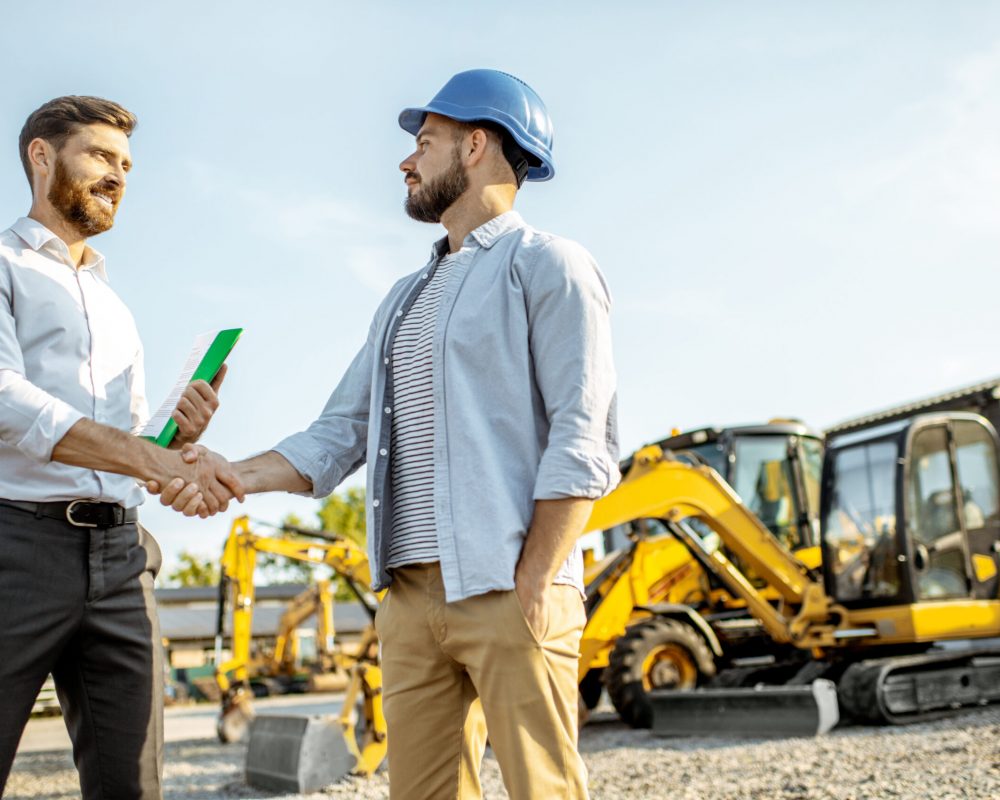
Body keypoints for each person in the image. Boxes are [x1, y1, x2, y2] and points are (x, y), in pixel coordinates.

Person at [158, 69, 618, 799]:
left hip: (510, 588)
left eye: (424, 143)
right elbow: (339, 432)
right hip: (408, 601)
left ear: (475, 146)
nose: (406, 161)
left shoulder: (548, 265)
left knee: (545, 791)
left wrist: (535, 581)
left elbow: (584, 438)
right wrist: (228, 472)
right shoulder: (404, 299)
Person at [0, 96, 244, 799]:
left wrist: (177, 443)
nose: (119, 176)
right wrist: (145, 456)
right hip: (18, 550)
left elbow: (137, 445)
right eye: (101, 157)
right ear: (41, 157)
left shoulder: (114, 307)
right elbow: (8, 400)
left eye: (127, 165)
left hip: (121, 563)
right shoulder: (5, 266)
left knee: (131, 787)